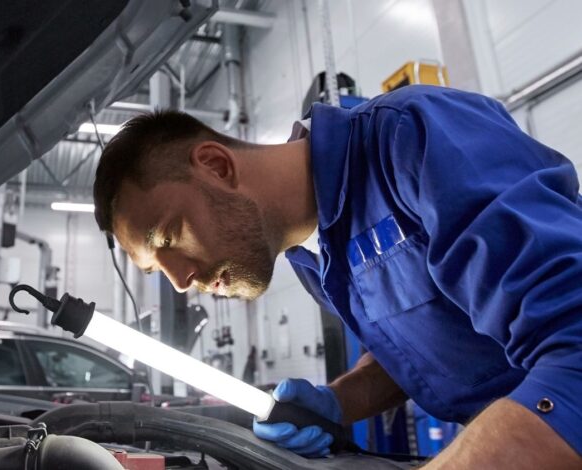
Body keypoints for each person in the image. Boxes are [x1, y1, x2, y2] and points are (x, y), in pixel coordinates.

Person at [92, 85, 582, 468]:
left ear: (217, 166)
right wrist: (339, 401)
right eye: (157, 268)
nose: (179, 281)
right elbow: (432, 343)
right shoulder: (315, 255)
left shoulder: (412, 135)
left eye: (168, 237)